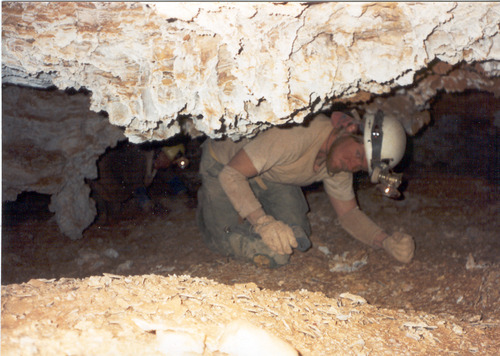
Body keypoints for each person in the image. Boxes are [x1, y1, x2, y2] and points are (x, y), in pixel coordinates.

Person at [196, 110, 415, 268]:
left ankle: (245, 211)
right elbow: (232, 174)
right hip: (224, 166)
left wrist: (385, 241)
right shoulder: (297, 135)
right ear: (347, 128)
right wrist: (263, 223)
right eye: (358, 155)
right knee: (257, 249)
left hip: (269, 175)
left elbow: (348, 214)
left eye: (360, 166)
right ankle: (210, 209)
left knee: (296, 237)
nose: (351, 165)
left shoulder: (339, 162)